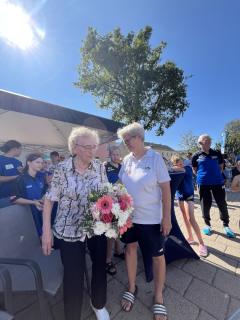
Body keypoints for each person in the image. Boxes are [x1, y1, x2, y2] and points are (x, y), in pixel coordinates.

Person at [42, 127, 110, 320]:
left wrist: (112, 214)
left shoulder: (99, 167)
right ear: (74, 147)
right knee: (73, 274)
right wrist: (47, 231)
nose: (92, 151)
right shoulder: (62, 169)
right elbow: (49, 200)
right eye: (87, 147)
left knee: (99, 265)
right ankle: (72, 315)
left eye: (94, 146)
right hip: (68, 228)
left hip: (96, 225)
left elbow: (107, 194)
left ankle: (98, 303)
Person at [117, 122, 171, 320]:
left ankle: (158, 296)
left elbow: (166, 190)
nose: (126, 143)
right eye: (124, 141)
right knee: (130, 249)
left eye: (128, 139)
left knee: (157, 257)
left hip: (151, 220)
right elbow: (121, 185)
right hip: (129, 218)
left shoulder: (155, 158)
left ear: (139, 137)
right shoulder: (126, 160)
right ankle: (132, 287)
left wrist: (167, 218)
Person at [192, 134, 235, 238]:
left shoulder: (216, 153)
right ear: (200, 143)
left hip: (217, 182)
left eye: (209, 141)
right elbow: (195, 169)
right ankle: (207, 224)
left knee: (222, 203)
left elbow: (221, 167)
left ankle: (226, 225)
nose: (208, 143)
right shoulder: (196, 155)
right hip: (203, 183)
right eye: (206, 141)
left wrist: (216, 176)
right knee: (205, 204)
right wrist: (202, 177)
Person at [171, 155, 208, 257]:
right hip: (180, 196)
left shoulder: (186, 168)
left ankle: (201, 243)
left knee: (191, 218)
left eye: (181, 162)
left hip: (189, 196)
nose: (180, 164)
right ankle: (190, 237)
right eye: (178, 163)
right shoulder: (176, 170)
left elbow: (180, 169)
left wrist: (173, 167)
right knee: (184, 217)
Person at [13, 153, 46, 237]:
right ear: (29, 162)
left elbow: (45, 192)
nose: (40, 165)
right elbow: (14, 198)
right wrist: (33, 202)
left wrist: (42, 200)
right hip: (28, 213)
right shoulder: (21, 179)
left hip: (41, 211)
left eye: (42, 163)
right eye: (37, 162)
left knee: (43, 233)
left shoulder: (40, 177)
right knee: (32, 237)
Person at [104, 145, 124, 276]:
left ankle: (118, 251)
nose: (116, 157)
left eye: (118, 154)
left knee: (118, 228)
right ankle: (107, 260)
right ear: (110, 155)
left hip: (122, 202)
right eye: (113, 154)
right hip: (110, 203)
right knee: (111, 232)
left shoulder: (122, 167)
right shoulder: (105, 167)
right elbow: (104, 184)